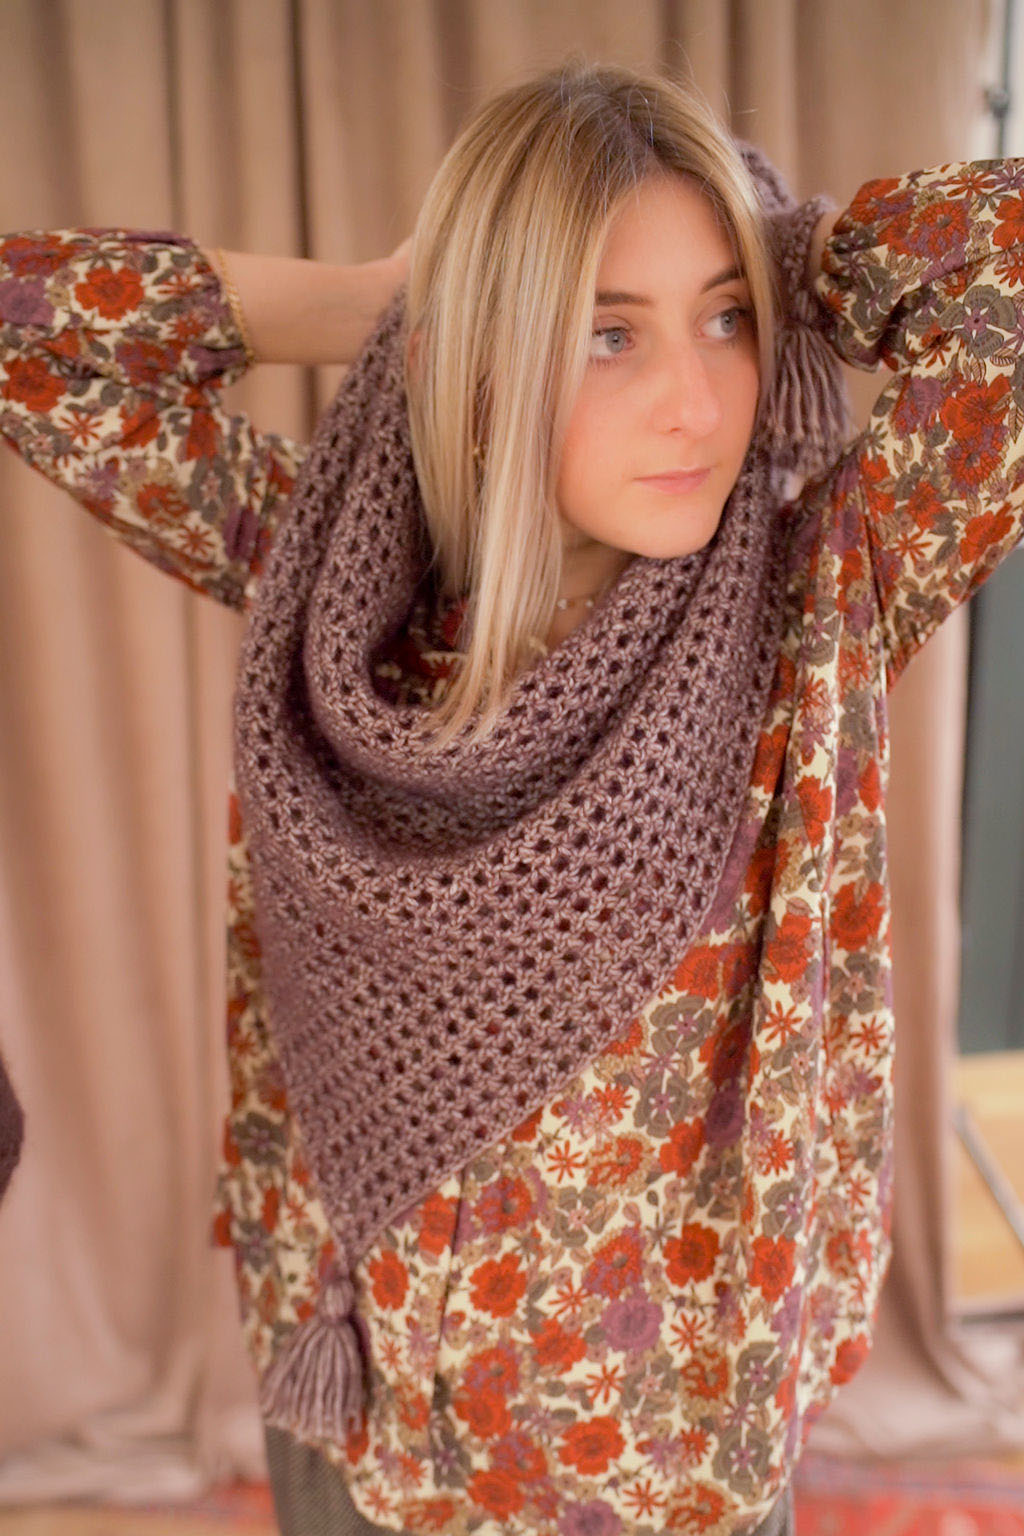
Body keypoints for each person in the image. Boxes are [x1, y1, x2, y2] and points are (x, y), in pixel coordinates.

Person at [1, 54, 1022, 1536]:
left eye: (725, 320)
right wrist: (382, 302)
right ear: (479, 362)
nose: (696, 402)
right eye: (606, 334)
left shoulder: (820, 600)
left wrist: (793, 256)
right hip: (367, 1400)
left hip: (658, 1450)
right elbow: (25, 330)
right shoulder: (327, 597)